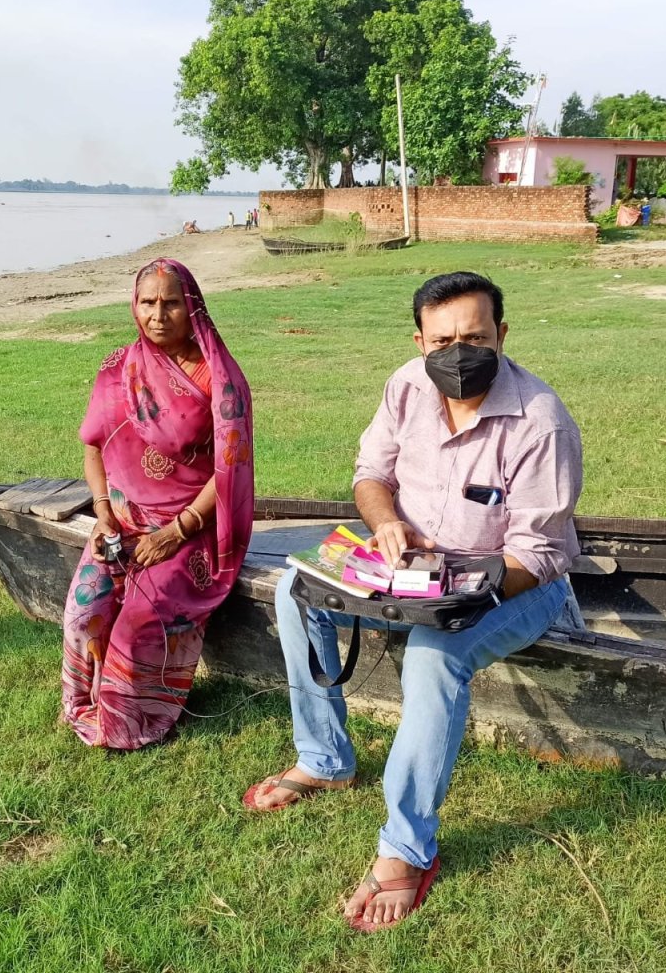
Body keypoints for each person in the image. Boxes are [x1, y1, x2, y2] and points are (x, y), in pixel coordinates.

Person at [245, 271, 583, 933]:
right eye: (443, 341)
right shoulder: (406, 385)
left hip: (514, 583)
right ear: (420, 342)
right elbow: (371, 475)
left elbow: (540, 555)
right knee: (297, 589)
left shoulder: (541, 421)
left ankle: (406, 850)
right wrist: (387, 524)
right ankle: (325, 760)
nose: (459, 353)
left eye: (475, 338)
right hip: (408, 565)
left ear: (502, 335)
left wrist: (462, 592)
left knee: (433, 654)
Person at [61, 258, 255, 749]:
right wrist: (102, 512)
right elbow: (93, 447)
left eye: (171, 303)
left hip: (191, 528)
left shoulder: (220, 380)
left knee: (137, 625)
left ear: (193, 308)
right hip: (120, 524)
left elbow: (229, 470)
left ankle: (133, 721)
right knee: (83, 613)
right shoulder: (118, 367)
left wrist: (176, 532)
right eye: (148, 302)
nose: (158, 314)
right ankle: (84, 704)